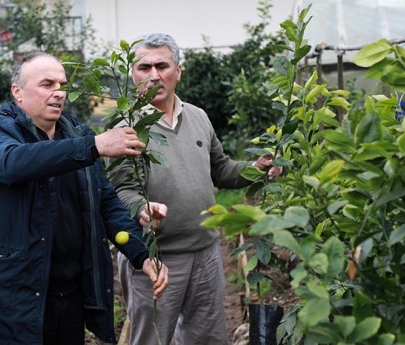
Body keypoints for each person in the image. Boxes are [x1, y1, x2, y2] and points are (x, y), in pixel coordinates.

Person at [0, 51, 169, 345]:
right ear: (17, 92)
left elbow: (105, 202)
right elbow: (12, 164)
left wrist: (142, 254)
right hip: (15, 294)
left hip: (69, 295)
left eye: (62, 84)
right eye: (47, 84)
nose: (58, 93)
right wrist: (92, 146)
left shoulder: (76, 132)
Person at [108, 33, 283, 345]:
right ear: (132, 73)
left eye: (162, 65)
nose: (153, 75)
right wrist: (141, 207)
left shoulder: (198, 117)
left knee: (206, 338)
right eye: (144, 67)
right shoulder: (125, 130)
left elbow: (220, 169)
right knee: (152, 339)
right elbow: (122, 191)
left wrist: (254, 169)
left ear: (178, 71)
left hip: (205, 253)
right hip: (156, 259)